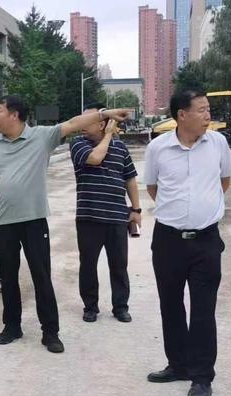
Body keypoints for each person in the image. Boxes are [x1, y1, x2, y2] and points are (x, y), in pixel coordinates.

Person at [0, 95, 131, 353]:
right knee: (8, 277)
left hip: (34, 221)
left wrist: (106, 113)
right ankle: (11, 326)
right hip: (3, 222)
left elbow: (73, 123)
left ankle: (50, 332)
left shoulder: (41, 136)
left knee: (42, 277)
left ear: (14, 115)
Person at [144, 89, 231, 396]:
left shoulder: (218, 143)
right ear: (182, 115)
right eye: (202, 110)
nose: (208, 115)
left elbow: (224, 182)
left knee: (203, 310)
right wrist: (178, 212)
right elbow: (153, 187)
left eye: (208, 109)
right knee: (170, 305)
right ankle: (178, 365)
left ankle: (202, 377)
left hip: (206, 241)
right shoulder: (157, 148)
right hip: (168, 241)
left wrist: (201, 207)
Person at [69, 102, 141, 323]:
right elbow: (95, 158)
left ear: (101, 123)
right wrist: (109, 135)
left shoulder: (121, 148)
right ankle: (90, 306)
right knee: (88, 265)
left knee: (119, 265)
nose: (82, 123)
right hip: (89, 216)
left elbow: (130, 179)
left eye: (88, 119)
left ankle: (120, 307)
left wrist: (136, 209)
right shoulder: (78, 143)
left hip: (117, 216)